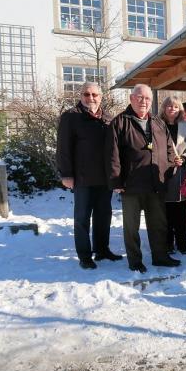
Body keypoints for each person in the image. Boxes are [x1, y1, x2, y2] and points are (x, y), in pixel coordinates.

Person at [106, 84, 180, 273]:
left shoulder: (157, 122)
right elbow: (111, 155)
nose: (144, 101)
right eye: (140, 97)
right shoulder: (120, 122)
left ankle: (160, 256)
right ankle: (135, 261)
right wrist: (116, 181)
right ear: (131, 98)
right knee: (132, 227)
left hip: (156, 182)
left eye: (147, 98)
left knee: (158, 223)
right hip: (131, 184)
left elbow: (169, 148)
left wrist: (169, 169)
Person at [56, 82, 121, 269]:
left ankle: (102, 249)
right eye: (86, 94)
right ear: (80, 96)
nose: (90, 98)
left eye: (94, 94)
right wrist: (66, 174)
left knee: (104, 215)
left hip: (104, 178)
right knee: (82, 218)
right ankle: (85, 256)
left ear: (101, 97)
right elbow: (63, 149)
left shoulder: (108, 118)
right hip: (82, 178)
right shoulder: (71, 117)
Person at [160, 96, 186, 256]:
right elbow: (149, 145)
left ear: (180, 109)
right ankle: (167, 243)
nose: (172, 109)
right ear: (164, 108)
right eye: (169, 106)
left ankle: (182, 242)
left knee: (182, 213)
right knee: (166, 213)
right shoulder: (156, 125)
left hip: (182, 175)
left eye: (175, 107)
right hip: (164, 174)